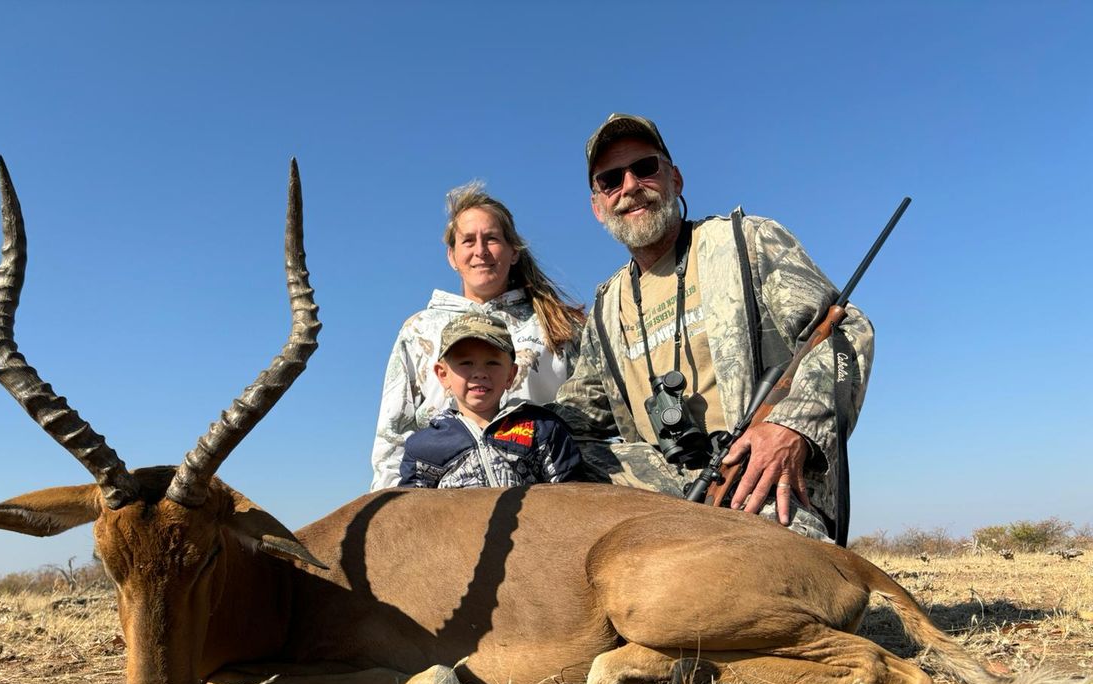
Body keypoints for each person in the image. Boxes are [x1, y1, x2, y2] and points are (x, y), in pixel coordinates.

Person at [554, 113, 875, 543]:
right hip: (658, 502)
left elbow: (846, 333)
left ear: (675, 178)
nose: (630, 186)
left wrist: (792, 426)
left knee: (772, 586)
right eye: (611, 179)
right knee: (546, 456)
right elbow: (574, 416)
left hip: (755, 482)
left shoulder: (750, 241)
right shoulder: (605, 308)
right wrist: (490, 428)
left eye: (645, 168)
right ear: (597, 206)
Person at [371, 182, 585, 489]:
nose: (480, 251)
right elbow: (392, 440)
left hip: (545, 502)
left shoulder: (560, 323)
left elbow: (590, 422)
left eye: (492, 239)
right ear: (452, 256)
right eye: (468, 241)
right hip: (449, 509)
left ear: (514, 252)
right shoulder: (418, 330)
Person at [399, 313, 581, 488]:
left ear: (511, 375)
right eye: (466, 363)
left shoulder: (542, 430)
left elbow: (571, 496)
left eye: (492, 363)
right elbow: (410, 511)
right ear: (443, 374)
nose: (479, 373)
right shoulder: (422, 447)